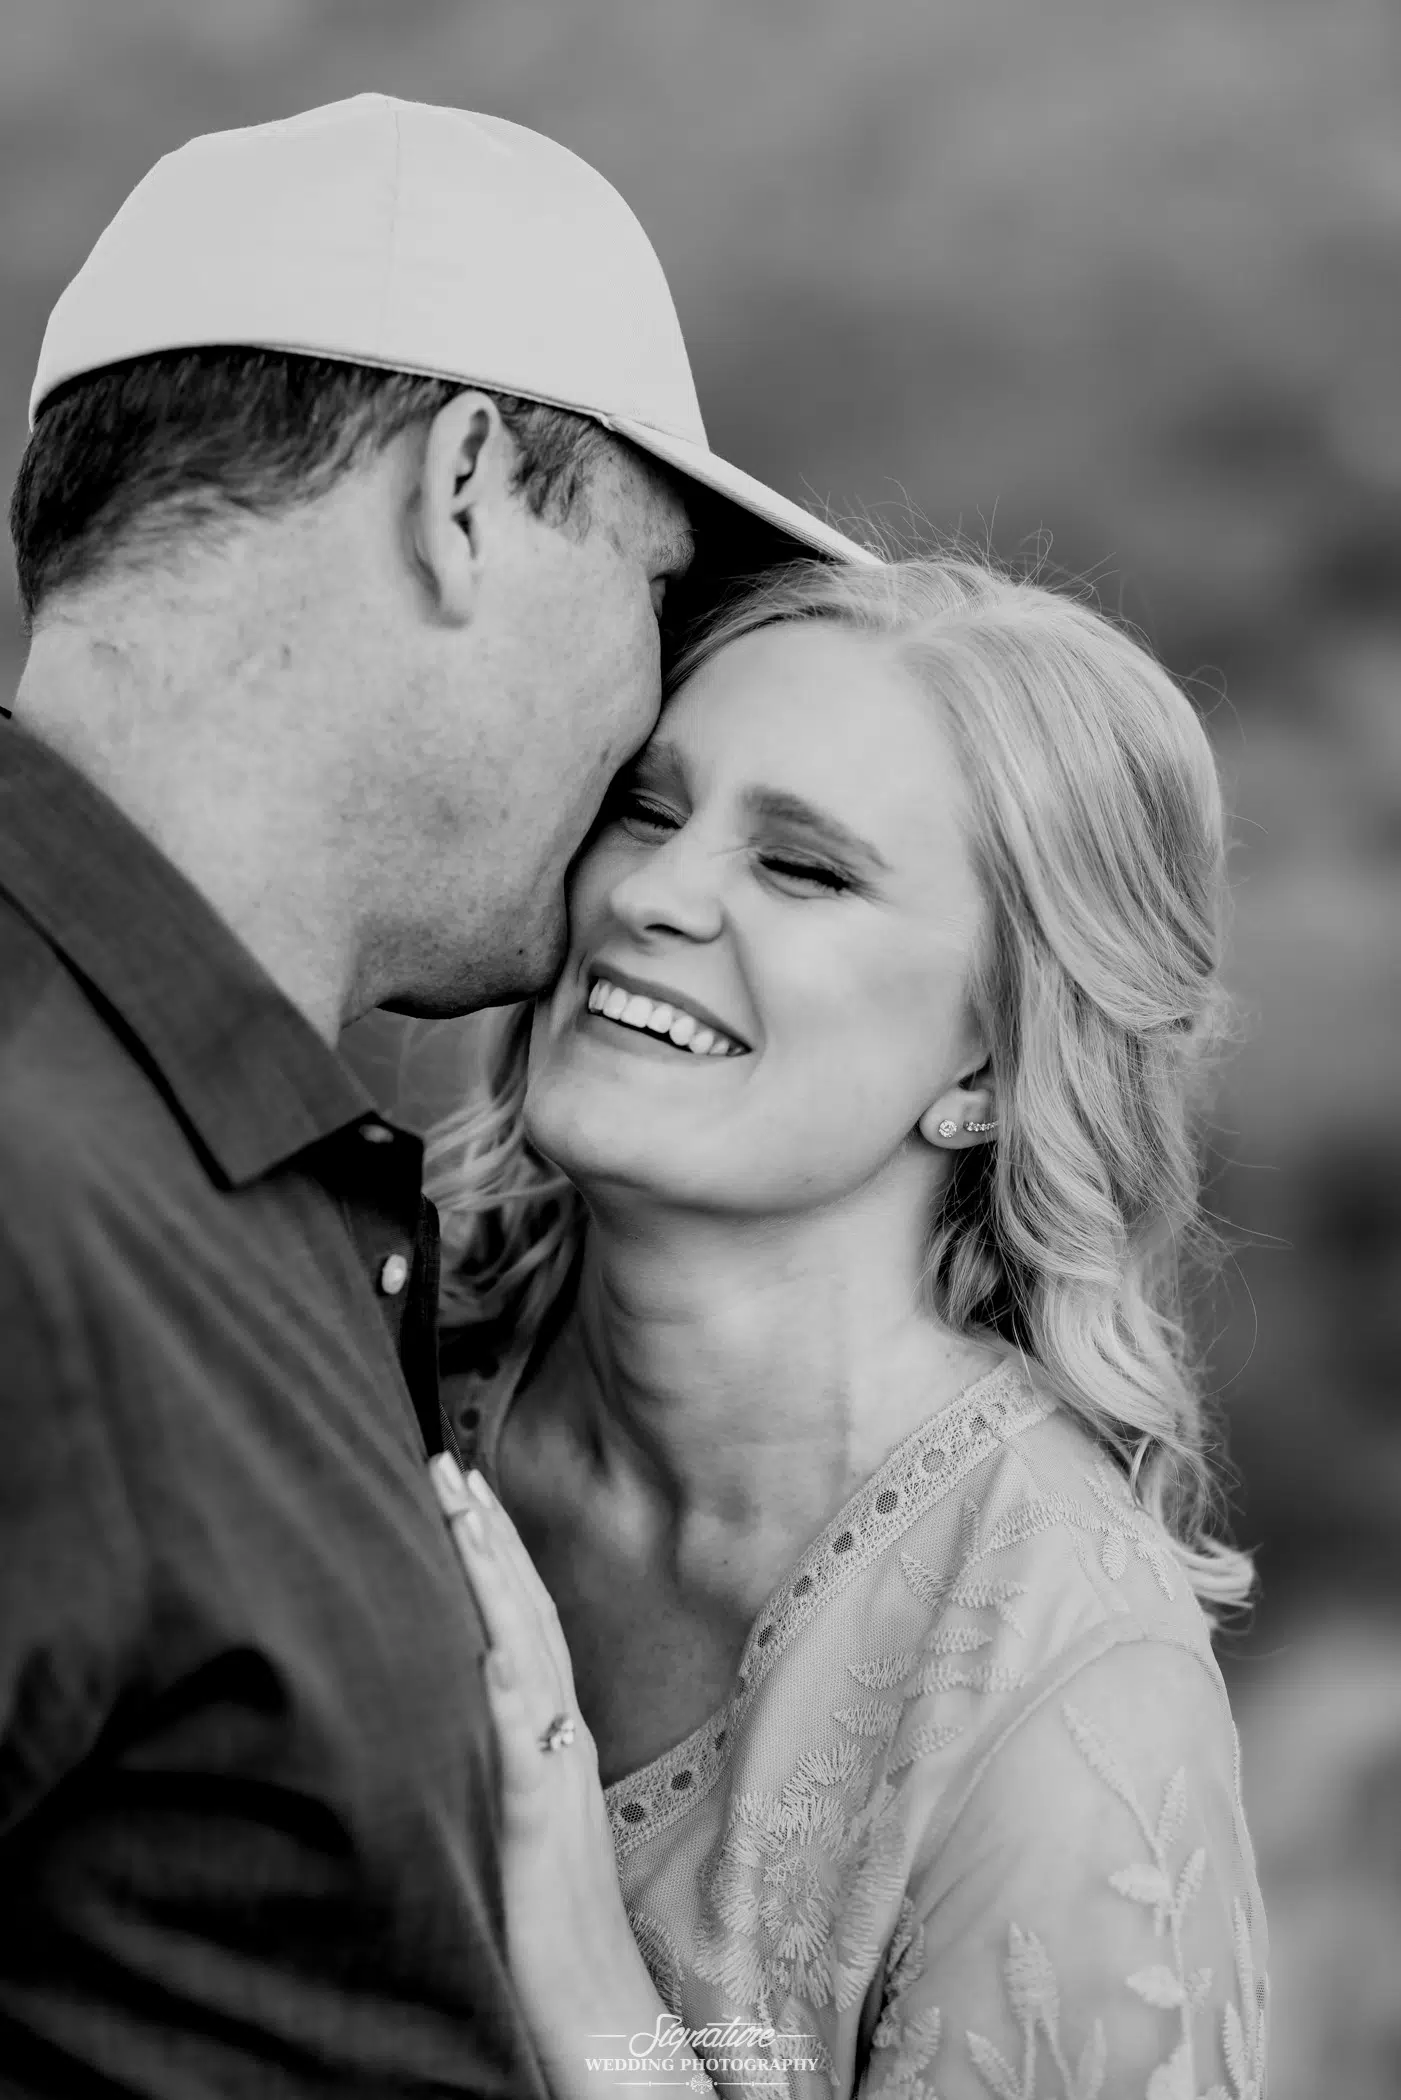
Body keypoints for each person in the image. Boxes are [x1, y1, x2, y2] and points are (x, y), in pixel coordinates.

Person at [0, 95, 875, 2098]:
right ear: (463, 491)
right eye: (654, 595)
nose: (650, 706)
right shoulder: (36, 1184)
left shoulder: (231, 1161)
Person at [425, 555, 1269, 2099]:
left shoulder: (1072, 1708)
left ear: (997, 1070)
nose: (653, 896)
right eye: (649, 807)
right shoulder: (370, 1348)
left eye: (804, 870)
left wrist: (587, 1976)